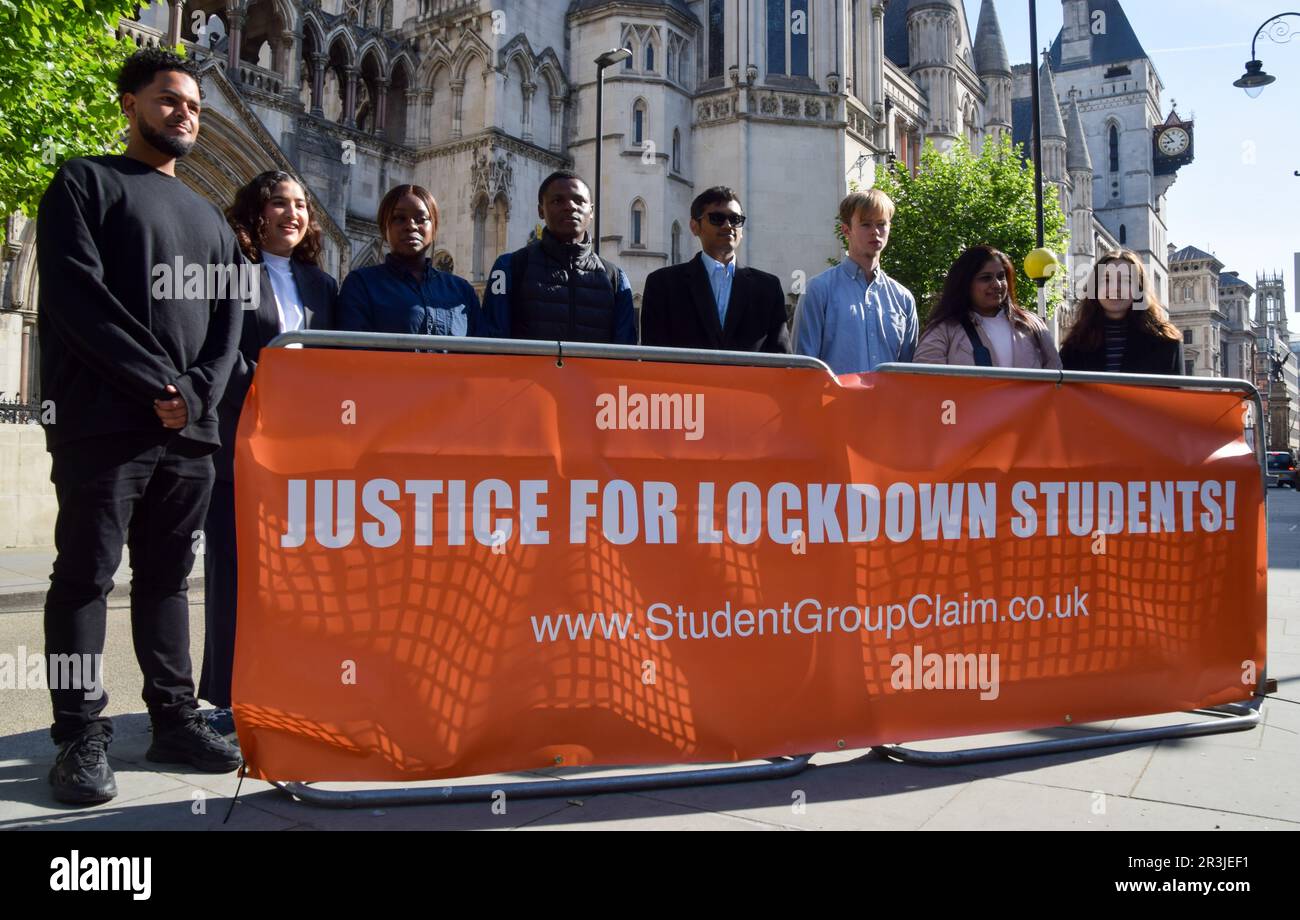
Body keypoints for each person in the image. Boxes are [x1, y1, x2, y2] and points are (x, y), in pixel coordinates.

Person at [36, 49, 243, 805]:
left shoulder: (213, 221)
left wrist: (195, 396)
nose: (184, 113)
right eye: (168, 101)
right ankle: (78, 733)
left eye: (191, 105)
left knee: (166, 579)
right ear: (129, 105)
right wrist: (159, 383)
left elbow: (229, 327)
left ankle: (173, 715)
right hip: (103, 422)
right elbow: (73, 294)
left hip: (188, 435)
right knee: (84, 577)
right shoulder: (83, 183)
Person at [200, 170, 339, 737]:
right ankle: (229, 696)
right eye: (279, 203)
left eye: (301, 204)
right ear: (254, 214)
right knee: (235, 571)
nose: (292, 213)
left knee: (301, 575)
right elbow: (219, 352)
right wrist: (277, 389)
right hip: (244, 442)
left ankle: (294, 684)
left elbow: (339, 362)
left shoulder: (322, 285)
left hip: (307, 452)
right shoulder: (234, 274)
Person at [482, 170, 636, 344]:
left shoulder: (615, 278)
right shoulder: (508, 267)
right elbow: (493, 341)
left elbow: (625, 351)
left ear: (591, 211)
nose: (570, 206)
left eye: (579, 201)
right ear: (541, 210)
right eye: (557, 201)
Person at [640, 187, 791, 353]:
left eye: (735, 219)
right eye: (717, 218)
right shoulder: (663, 285)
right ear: (694, 226)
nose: (728, 226)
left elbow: (780, 360)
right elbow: (654, 357)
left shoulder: (768, 288)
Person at [794, 189, 917, 374]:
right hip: (833, 402)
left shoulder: (903, 299)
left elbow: (909, 371)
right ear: (846, 230)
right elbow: (803, 367)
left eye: (881, 224)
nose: (875, 231)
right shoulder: (818, 290)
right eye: (866, 224)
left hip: (888, 402)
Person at [336, 184, 481, 336]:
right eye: (399, 218)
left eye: (421, 219)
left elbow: (480, 354)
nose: (411, 226)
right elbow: (352, 353)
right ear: (384, 228)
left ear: (434, 229)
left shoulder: (462, 291)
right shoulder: (361, 285)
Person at [913, 245, 1062, 369]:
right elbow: (927, 383)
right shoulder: (943, 330)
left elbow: (1055, 378)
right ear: (965, 284)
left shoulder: (1032, 324)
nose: (997, 284)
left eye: (1001, 276)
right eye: (986, 278)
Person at [1059, 249, 1184, 374]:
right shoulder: (1075, 344)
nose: (1115, 288)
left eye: (1126, 281)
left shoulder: (1166, 342)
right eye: (1107, 280)